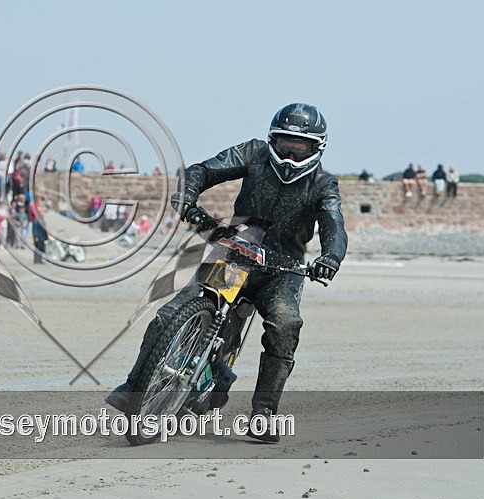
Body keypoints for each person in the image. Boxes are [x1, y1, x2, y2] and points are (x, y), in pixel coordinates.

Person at [106, 103, 348, 443]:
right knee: (169, 315)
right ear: (272, 140)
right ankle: (134, 386)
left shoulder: (323, 185)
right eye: (284, 144)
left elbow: (334, 227)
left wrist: (331, 258)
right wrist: (188, 196)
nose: (290, 154)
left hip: (281, 270)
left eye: (300, 147)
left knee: (285, 323)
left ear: (316, 149)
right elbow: (202, 171)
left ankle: (264, 412)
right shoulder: (252, 153)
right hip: (236, 256)